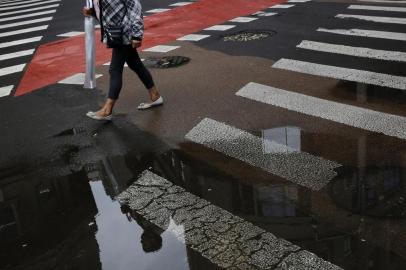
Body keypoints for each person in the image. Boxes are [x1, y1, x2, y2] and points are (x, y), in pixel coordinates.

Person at [83, 0, 163, 121]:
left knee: (114, 70)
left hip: (125, 33)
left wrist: (137, 35)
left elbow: (135, 8)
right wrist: (92, 12)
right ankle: (155, 95)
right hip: (115, 34)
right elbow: (105, 13)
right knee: (135, 64)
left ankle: (107, 109)